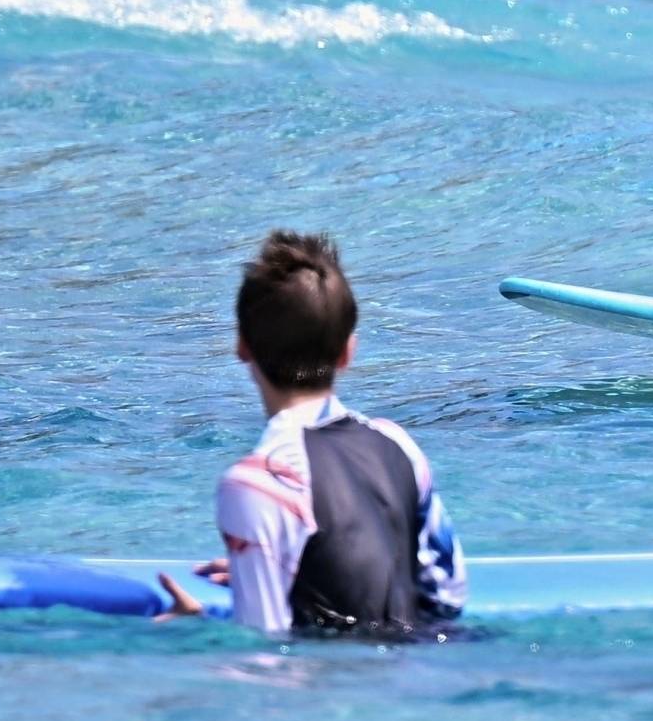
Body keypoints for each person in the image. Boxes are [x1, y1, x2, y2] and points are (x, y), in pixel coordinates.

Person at [167, 230, 465, 638]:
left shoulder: (258, 483)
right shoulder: (397, 445)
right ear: (347, 352)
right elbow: (446, 600)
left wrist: (197, 625)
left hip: (336, 675)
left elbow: (265, 650)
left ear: (241, 346)